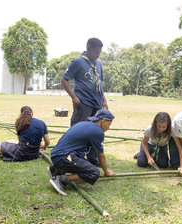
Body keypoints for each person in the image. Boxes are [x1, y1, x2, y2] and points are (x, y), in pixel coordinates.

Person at [61, 37, 108, 165]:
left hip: (97, 104)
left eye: (100, 53)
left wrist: (104, 100)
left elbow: (100, 84)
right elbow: (64, 80)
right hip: (83, 104)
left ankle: (93, 158)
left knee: (95, 131)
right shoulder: (77, 62)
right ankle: (74, 157)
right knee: (78, 130)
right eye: (96, 52)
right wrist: (74, 97)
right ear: (88, 48)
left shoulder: (98, 64)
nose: (98, 55)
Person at [48, 109, 115, 196]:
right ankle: (60, 179)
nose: (109, 128)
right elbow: (101, 156)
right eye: (109, 125)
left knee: (85, 166)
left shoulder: (85, 124)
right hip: (63, 157)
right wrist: (106, 171)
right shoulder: (98, 132)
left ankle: (56, 169)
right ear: (103, 121)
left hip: (58, 155)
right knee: (93, 172)